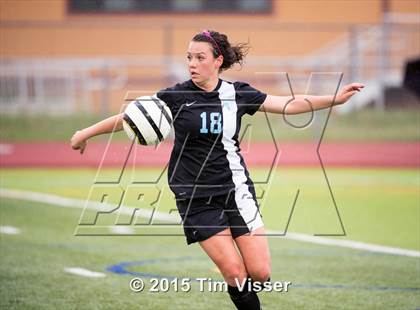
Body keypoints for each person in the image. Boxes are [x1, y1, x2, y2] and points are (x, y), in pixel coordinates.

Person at [71, 30, 364, 309]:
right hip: (195, 196)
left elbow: (287, 104)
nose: (192, 64)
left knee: (260, 275)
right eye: (189, 57)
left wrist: (334, 99)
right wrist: (86, 132)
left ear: (218, 61)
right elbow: (129, 117)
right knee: (235, 273)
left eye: (200, 57)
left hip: (236, 190)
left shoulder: (237, 94)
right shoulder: (175, 97)